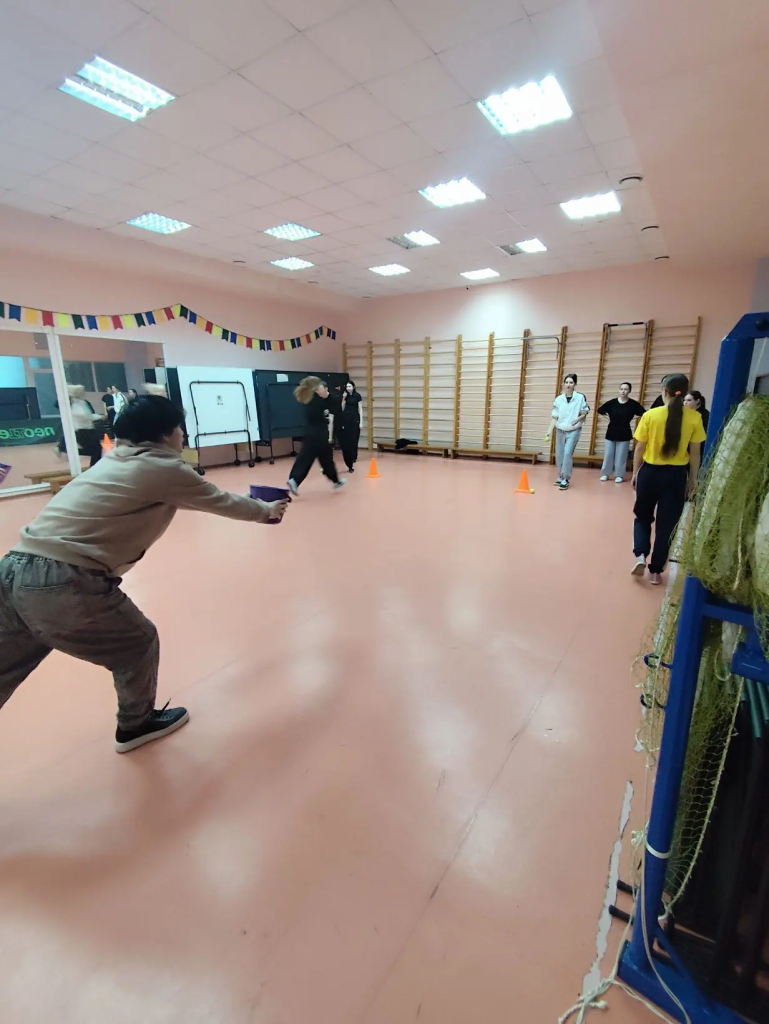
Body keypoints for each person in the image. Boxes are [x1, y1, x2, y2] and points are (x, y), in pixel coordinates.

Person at [0, 395, 288, 754]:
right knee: (138, 643)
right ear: (166, 433)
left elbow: (191, 496)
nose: (182, 434)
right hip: (63, 578)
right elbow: (220, 501)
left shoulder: (115, 460)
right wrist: (266, 510)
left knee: (6, 665)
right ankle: (136, 724)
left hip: (13, 568)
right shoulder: (163, 468)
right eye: (179, 427)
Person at [631, 372, 706, 585]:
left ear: (664, 392)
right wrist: (693, 480)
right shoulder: (694, 417)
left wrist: (635, 473)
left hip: (649, 473)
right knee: (667, 525)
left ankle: (640, 555)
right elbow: (695, 453)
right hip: (676, 477)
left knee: (643, 516)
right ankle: (656, 571)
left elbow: (639, 448)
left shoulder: (651, 415)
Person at [288, 377, 346, 495]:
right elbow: (334, 403)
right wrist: (327, 395)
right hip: (319, 432)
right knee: (316, 459)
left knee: (318, 458)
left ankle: (335, 481)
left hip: (310, 432)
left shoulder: (308, 398)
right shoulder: (316, 399)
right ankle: (295, 480)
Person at [545, 373, 590, 491]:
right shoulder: (558, 399)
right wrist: (549, 431)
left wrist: (579, 418)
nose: (568, 385)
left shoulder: (580, 397)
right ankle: (560, 476)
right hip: (560, 430)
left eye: (571, 382)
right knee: (559, 454)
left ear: (575, 384)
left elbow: (585, 411)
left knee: (567, 453)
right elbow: (555, 417)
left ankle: (566, 478)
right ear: (563, 384)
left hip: (574, 429)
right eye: (566, 382)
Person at [597, 382, 646, 482]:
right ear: (619, 390)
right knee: (608, 454)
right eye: (621, 389)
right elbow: (600, 410)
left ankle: (619, 475)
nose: (623, 391)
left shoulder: (633, 404)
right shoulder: (612, 402)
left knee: (621, 455)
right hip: (611, 431)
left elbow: (644, 413)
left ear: (629, 391)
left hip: (625, 432)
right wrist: (609, 418)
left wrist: (631, 418)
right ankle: (605, 473)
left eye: (626, 389)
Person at [69, 384, 104, 467]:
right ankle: (72, 451)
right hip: (83, 430)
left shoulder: (82, 402)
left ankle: (94, 467)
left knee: (97, 450)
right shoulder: (75, 405)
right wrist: (100, 417)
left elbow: (88, 415)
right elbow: (86, 416)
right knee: (95, 450)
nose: (84, 393)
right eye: (83, 391)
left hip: (89, 429)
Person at [338, 380, 362, 472]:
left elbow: (360, 409)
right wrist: (343, 399)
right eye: (347, 387)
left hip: (355, 418)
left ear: (353, 387)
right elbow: (342, 408)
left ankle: (354, 456)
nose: (348, 388)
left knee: (354, 438)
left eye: (350, 386)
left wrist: (361, 422)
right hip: (346, 418)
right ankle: (350, 457)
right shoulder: (345, 396)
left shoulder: (357, 396)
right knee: (348, 438)